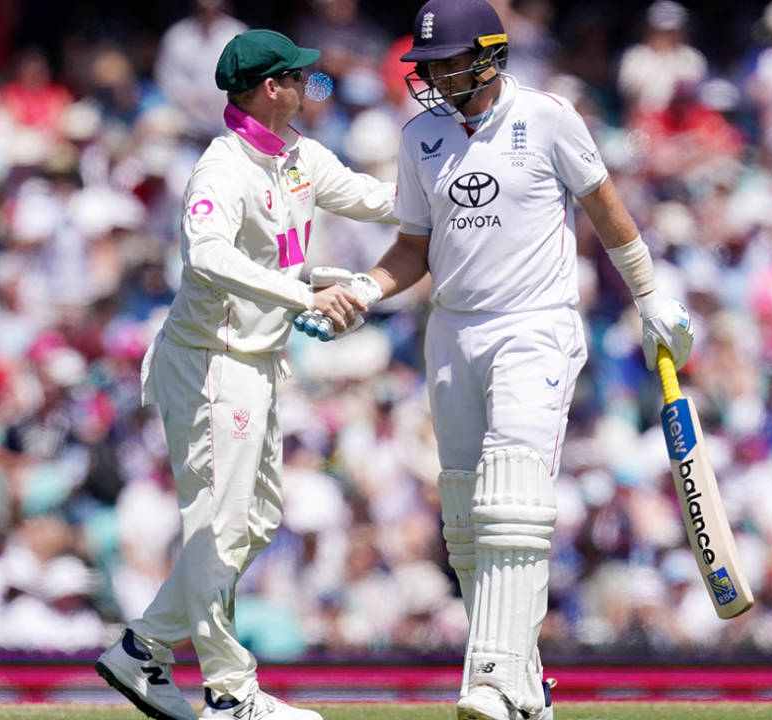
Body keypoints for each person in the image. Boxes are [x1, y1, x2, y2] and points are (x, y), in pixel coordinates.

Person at [347, 1, 693, 718]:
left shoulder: (549, 117)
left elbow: (605, 207)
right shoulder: (420, 138)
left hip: (535, 324)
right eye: (430, 65)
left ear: (492, 55)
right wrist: (362, 288)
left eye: (451, 61)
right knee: (467, 514)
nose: (438, 76)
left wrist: (650, 294)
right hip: (453, 330)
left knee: (512, 493)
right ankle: (524, 688)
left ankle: (496, 677)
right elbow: (414, 248)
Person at [95, 29, 397, 720]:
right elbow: (206, 256)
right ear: (272, 88)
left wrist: (456, 187)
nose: (308, 89)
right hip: (208, 363)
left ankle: (144, 650)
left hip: (255, 365)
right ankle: (231, 693)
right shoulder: (222, 168)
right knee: (222, 524)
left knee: (255, 520)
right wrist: (304, 294)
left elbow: (374, 199)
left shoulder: (299, 156)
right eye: (300, 79)